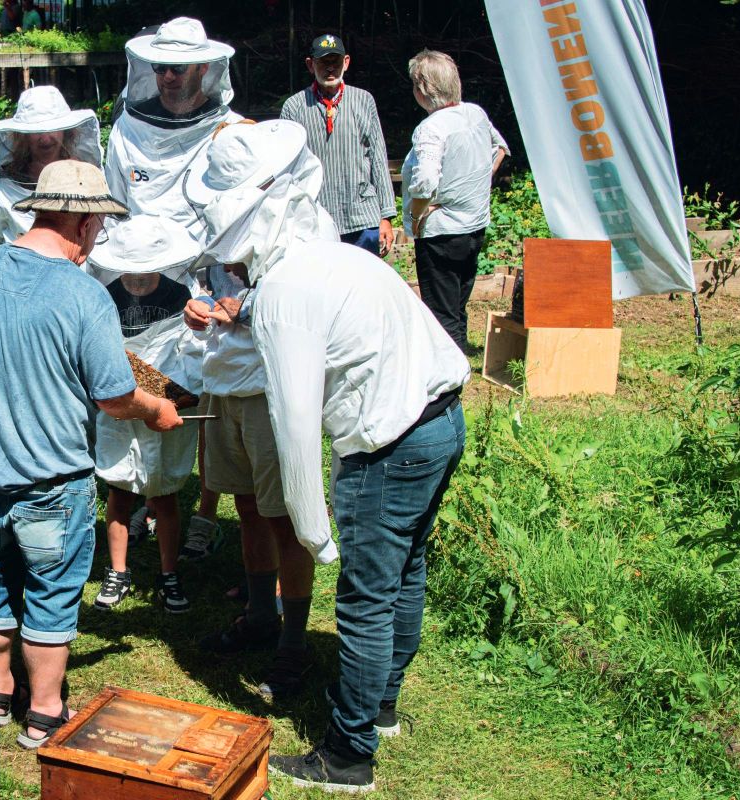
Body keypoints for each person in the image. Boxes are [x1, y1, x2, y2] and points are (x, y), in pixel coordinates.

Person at [191, 115, 469, 796]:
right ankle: (380, 706)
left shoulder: (287, 290)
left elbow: (292, 423)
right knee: (404, 571)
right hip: (441, 421)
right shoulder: (337, 257)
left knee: (365, 600)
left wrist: (311, 530)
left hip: (388, 443)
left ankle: (347, 755)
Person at [0, 160, 183, 750]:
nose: (97, 237)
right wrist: (155, 410)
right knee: (52, 594)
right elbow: (113, 396)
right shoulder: (84, 295)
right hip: (54, 481)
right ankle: (45, 713)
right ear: (79, 221)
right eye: (98, 225)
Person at [182, 120, 339, 703]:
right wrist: (197, 309)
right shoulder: (227, 221)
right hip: (225, 382)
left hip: (278, 388)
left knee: (287, 518)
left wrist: (241, 309)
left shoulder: (308, 227)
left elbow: (308, 309)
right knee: (247, 506)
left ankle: (293, 642)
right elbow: (206, 277)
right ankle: (258, 615)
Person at [105, 16, 240, 560]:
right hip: (140, 278)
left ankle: (203, 510)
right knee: (143, 387)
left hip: (202, 282)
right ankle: (148, 494)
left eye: (178, 68)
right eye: (159, 68)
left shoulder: (226, 130)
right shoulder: (126, 130)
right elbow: (115, 207)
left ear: (205, 69)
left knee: (203, 397)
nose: (167, 78)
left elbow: (234, 211)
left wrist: (221, 287)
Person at [86, 215, 205, 614]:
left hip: (168, 395)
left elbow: (191, 347)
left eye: (144, 276)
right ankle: (118, 571)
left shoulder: (179, 294)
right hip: (120, 397)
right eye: (130, 276)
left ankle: (168, 572)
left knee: (165, 495)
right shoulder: (105, 295)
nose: (136, 284)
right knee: (119, 490)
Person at [401, 49, 509, 353]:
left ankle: (448, 379)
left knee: (441, 311)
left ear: (423, 88)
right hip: (473, 227)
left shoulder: (431, 128)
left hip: (442, 233)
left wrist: (420, 215)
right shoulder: (474, 113)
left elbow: (424, 183)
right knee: (458, 303)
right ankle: (458, 359)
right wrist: (474, 185)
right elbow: (499, 149)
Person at [280, 33, 396, 257]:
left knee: (364, 286)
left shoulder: (364, 100)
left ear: (346, 62)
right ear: (310, 65)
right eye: (324, 62)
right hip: (316, 220)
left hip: (362, 217)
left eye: (335, 62)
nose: (330, 69)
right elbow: (287, 170)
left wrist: (386, 216)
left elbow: (379, 159)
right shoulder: (294, 107)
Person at [0, 86, 101, 250]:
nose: (45, 138)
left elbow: (100, 233)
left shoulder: (84, 177)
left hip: (72, 271)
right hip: (17, 271)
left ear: (66, 132)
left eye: (52, 130)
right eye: (37, 132)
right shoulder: (1, 183)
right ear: (22, 135)